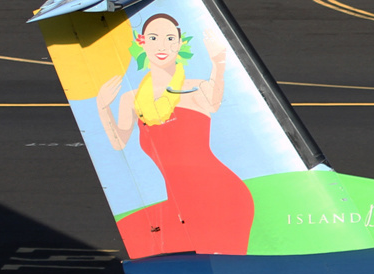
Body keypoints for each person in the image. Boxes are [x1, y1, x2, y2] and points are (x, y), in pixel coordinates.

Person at [95, 13, 255, 255]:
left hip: (220, 196)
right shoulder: (131, 99)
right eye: (154, 37)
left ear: (180, 44)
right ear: (142, 42)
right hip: (181, 202)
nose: (163, 46)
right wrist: (102, 106)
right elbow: (119, 143)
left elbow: (213, 103)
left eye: (171, 38)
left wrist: (218, 62)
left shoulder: (195, 88)